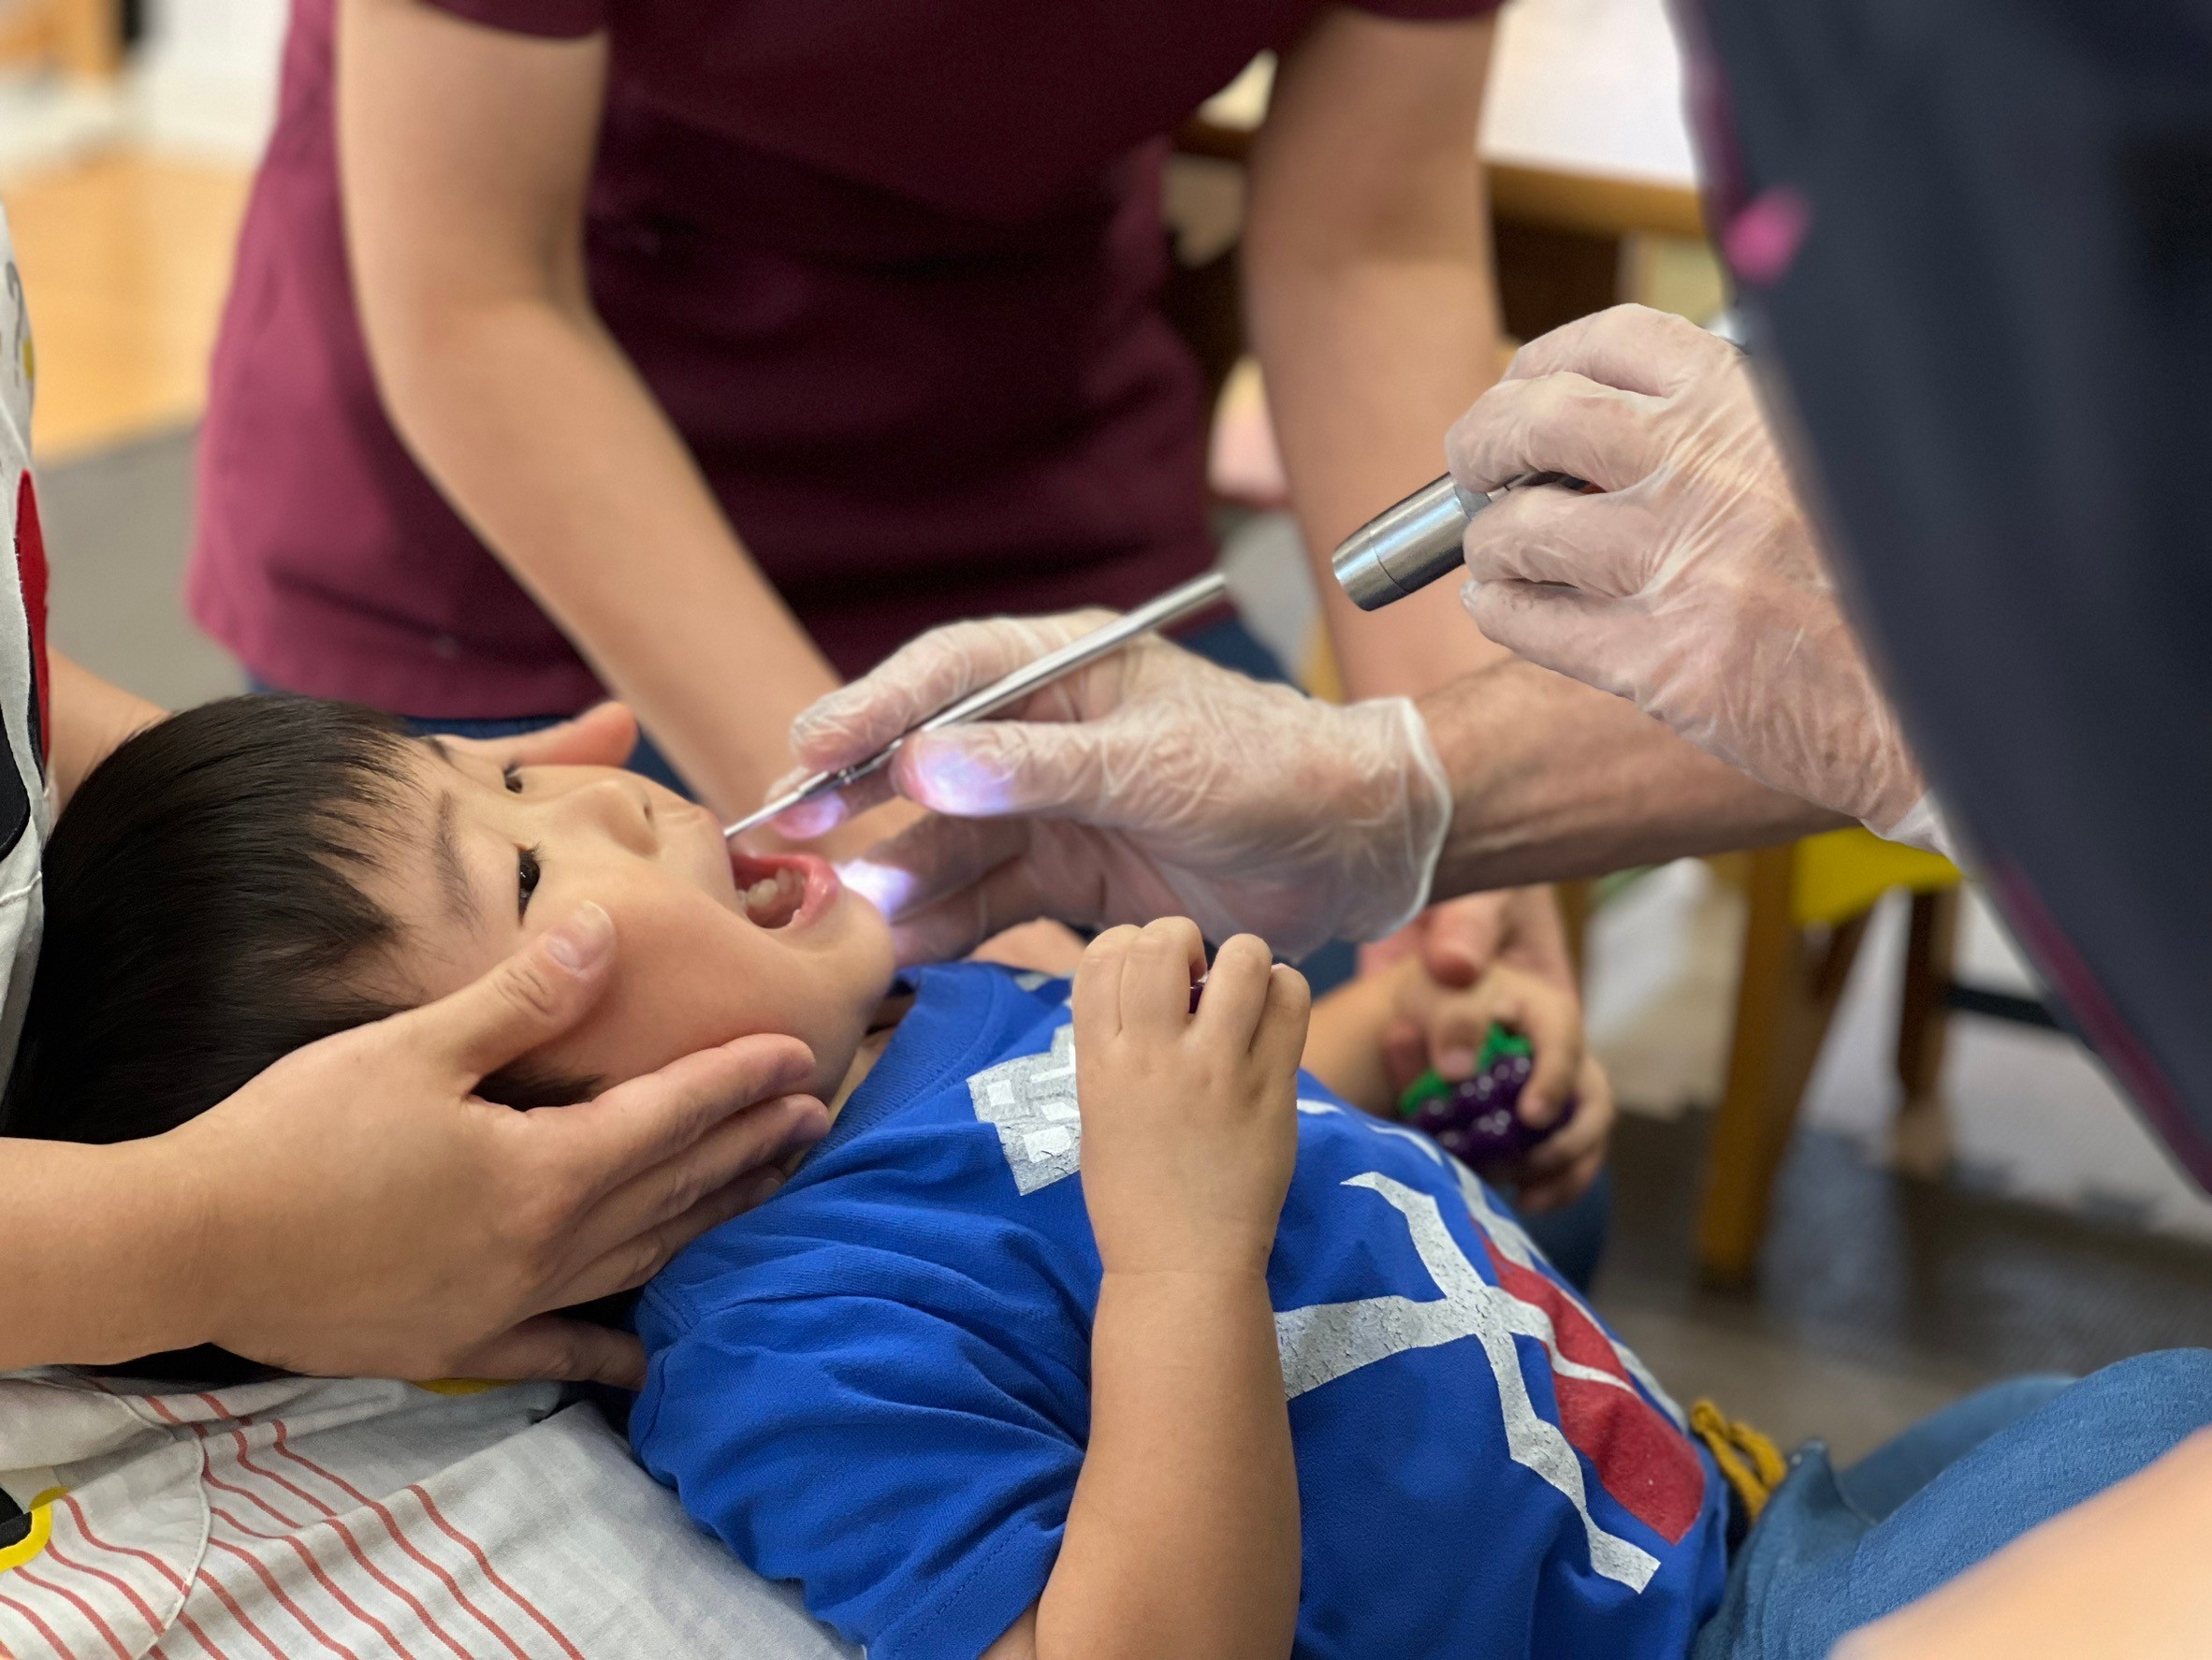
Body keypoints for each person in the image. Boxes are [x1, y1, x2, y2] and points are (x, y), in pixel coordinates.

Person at [0, 233, 820, 1392]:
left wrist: (306, 794)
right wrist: (211, 1234)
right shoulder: (820, 1351)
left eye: (512, 785)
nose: (610, 795)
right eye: (527, 877)